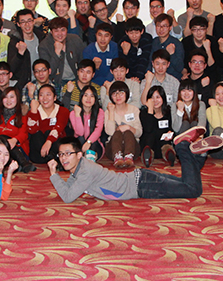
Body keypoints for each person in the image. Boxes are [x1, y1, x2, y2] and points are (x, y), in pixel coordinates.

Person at [49, 136, 208, 202]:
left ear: (79, 155)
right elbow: (68, 188)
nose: (63, 158)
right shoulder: (79, 169)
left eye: (68, 154)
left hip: (143, 185)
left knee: (193, 190)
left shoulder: (85, 171)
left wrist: (53, 173)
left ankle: (183, 147)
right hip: (142, 179)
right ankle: (199, 156)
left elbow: (68, 197)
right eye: (61, 154)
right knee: (186, 183)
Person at [0, 85, 35, 173]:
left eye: (12, 97)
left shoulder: (22, 113)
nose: (8, 100)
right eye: (5, 97)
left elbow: (24, 133)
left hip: (18, 149)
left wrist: (14, 140)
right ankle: (21, 164)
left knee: (4, 139)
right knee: (2, 138)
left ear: (17, 98)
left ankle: (22, 162)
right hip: (0, 150)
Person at [24, 84, 69, 164]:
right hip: (39, 154)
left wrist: (49, 142)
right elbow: (32, 130)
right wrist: (33, 111)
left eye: (48, 95)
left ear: (55, 97)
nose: (45, 98)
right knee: (37, 133)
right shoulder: (34, 111)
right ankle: (51, 159)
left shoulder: (63, 111)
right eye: (41, 95)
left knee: (49, 132)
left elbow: (58, 128)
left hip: (56, 150)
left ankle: (51, 158)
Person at [104, 80, 143, 169]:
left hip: (132, 147)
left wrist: (128, 127)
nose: (118, 96)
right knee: (117, 133)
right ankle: (117, 157)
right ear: (111, 96)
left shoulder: (134, 110)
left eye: (121, 93)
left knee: (128, 132)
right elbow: (110, 132)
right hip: (113, 148)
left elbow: (139, 132)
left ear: (127, 94)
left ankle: (128, 156)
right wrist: (111, 113)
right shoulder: (108, 112)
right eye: (114, 94)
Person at [39, 17, 86, 89]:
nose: (60, 34)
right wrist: (57, 53)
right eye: (56, 31)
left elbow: (83, 62)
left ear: (67, 30)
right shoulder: (44, 46)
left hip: (77, 79)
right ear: (51, 32)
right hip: (56, 82)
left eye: (63, 30)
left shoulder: (75, 39)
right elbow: (48, 72)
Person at [139, 86, 176, 167]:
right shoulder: (143, 112)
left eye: (158, 97)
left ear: (163, 98)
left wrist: (170, 133)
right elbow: (148, 129)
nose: (155, 100)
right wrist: (150, 109)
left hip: (162, 145)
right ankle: (147, 157)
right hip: (149, 144)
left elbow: (171, 127)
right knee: (150, 135)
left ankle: (169, 154)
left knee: (164, 138)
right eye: (152, 98)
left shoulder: (168, 111)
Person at [68, 85, 105, 161]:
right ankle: (87, 159)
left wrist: (89, 142)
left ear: (95, 99)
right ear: (81, 97)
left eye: (92, 96)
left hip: (95, 145)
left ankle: (89, 158)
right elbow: (80, 133)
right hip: (80, 145)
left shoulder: (100, 112)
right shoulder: (73, 113)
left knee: (93, 142)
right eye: (85, 95)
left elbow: (98, 130)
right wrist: (77, 115)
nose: (88, 99)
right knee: (80, 139)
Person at [171, 79, 208, 145]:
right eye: (183, 90)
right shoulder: (174, 105)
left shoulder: (201, 104)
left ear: (194, 92)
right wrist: (180, 110)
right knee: (185, 123)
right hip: (181, 140)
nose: (186, 93)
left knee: (194, 123)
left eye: (189, 90)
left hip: (197, 139)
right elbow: (176, 129)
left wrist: (198, 137)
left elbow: (201, 125)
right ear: (179, 92)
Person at [82, 22, 119, 86]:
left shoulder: (115, 47)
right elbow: (87, 75)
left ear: (111, 37)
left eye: (106, 36)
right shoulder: (88, 51)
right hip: (93, 84)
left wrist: (107, 83)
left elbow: (115, 69)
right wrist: (95, 68)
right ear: (95, 35)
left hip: (111, 83)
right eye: (100, 35)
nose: (102, 39)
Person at [149, 13, 184, 79]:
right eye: (158, 26)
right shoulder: (154, 42)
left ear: (170, 27)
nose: (161, 29)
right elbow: (150, 63)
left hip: (173, 79)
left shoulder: (176, 43)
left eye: (164, 26)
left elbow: (180, 68)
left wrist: (172, 54)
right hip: (156, 78)